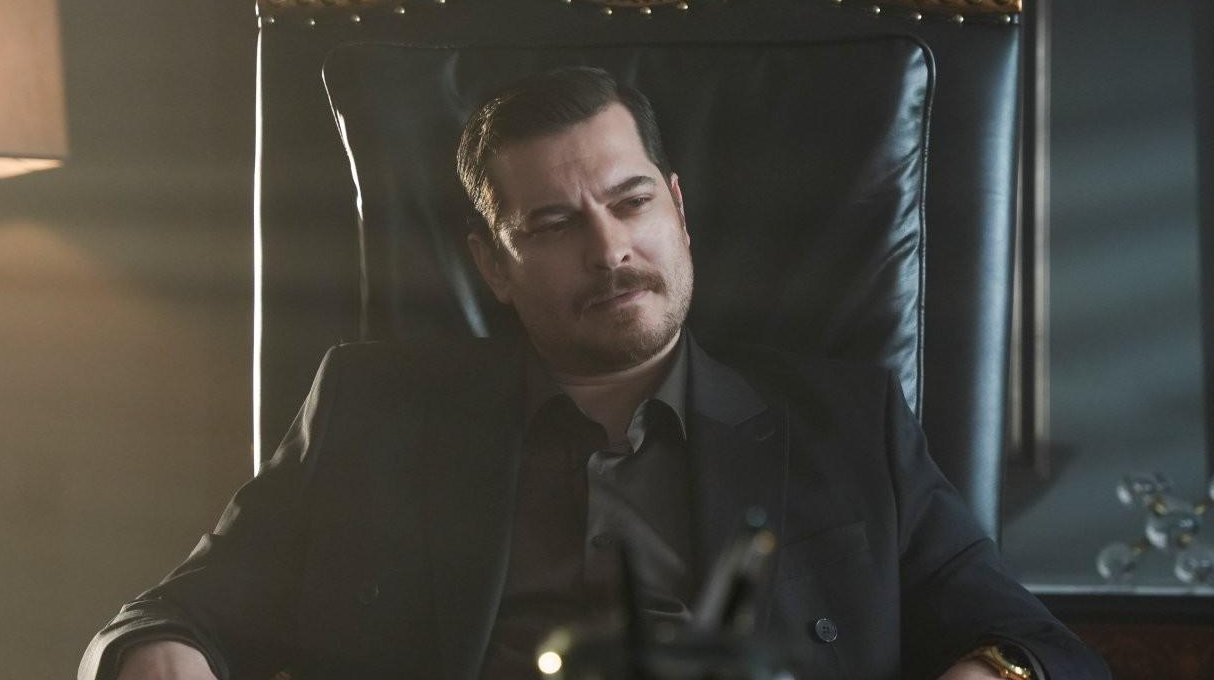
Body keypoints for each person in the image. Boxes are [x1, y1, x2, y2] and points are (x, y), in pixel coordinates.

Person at [81, 67, 1108, 680]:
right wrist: (154, 653)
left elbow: (1037, 643)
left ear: (677, 210)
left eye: (630, 202)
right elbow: (173, 611)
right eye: (553, 224)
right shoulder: (372, 413)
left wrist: (991, 672)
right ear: (494, 266)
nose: (610, 249)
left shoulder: (846, 423)